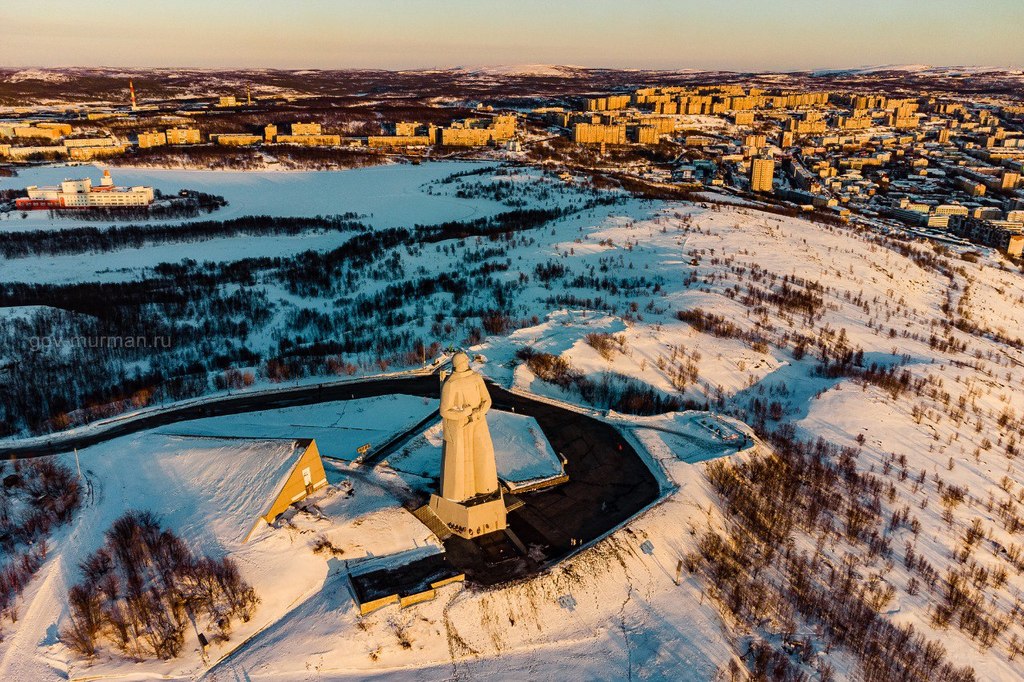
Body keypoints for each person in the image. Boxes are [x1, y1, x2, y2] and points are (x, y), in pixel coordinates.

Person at [439, 352, 498, 501]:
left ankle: (485, 486)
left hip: (478, 422)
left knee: (483, 454)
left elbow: (487, 400)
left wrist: (478, 412)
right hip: (460, 426)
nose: (468, 363)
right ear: (461, 363)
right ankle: (458, 494)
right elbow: (444, 411)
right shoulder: (451, 384)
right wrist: (463, 413)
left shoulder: (476, 378)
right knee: (459, 461)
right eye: (465, 361)